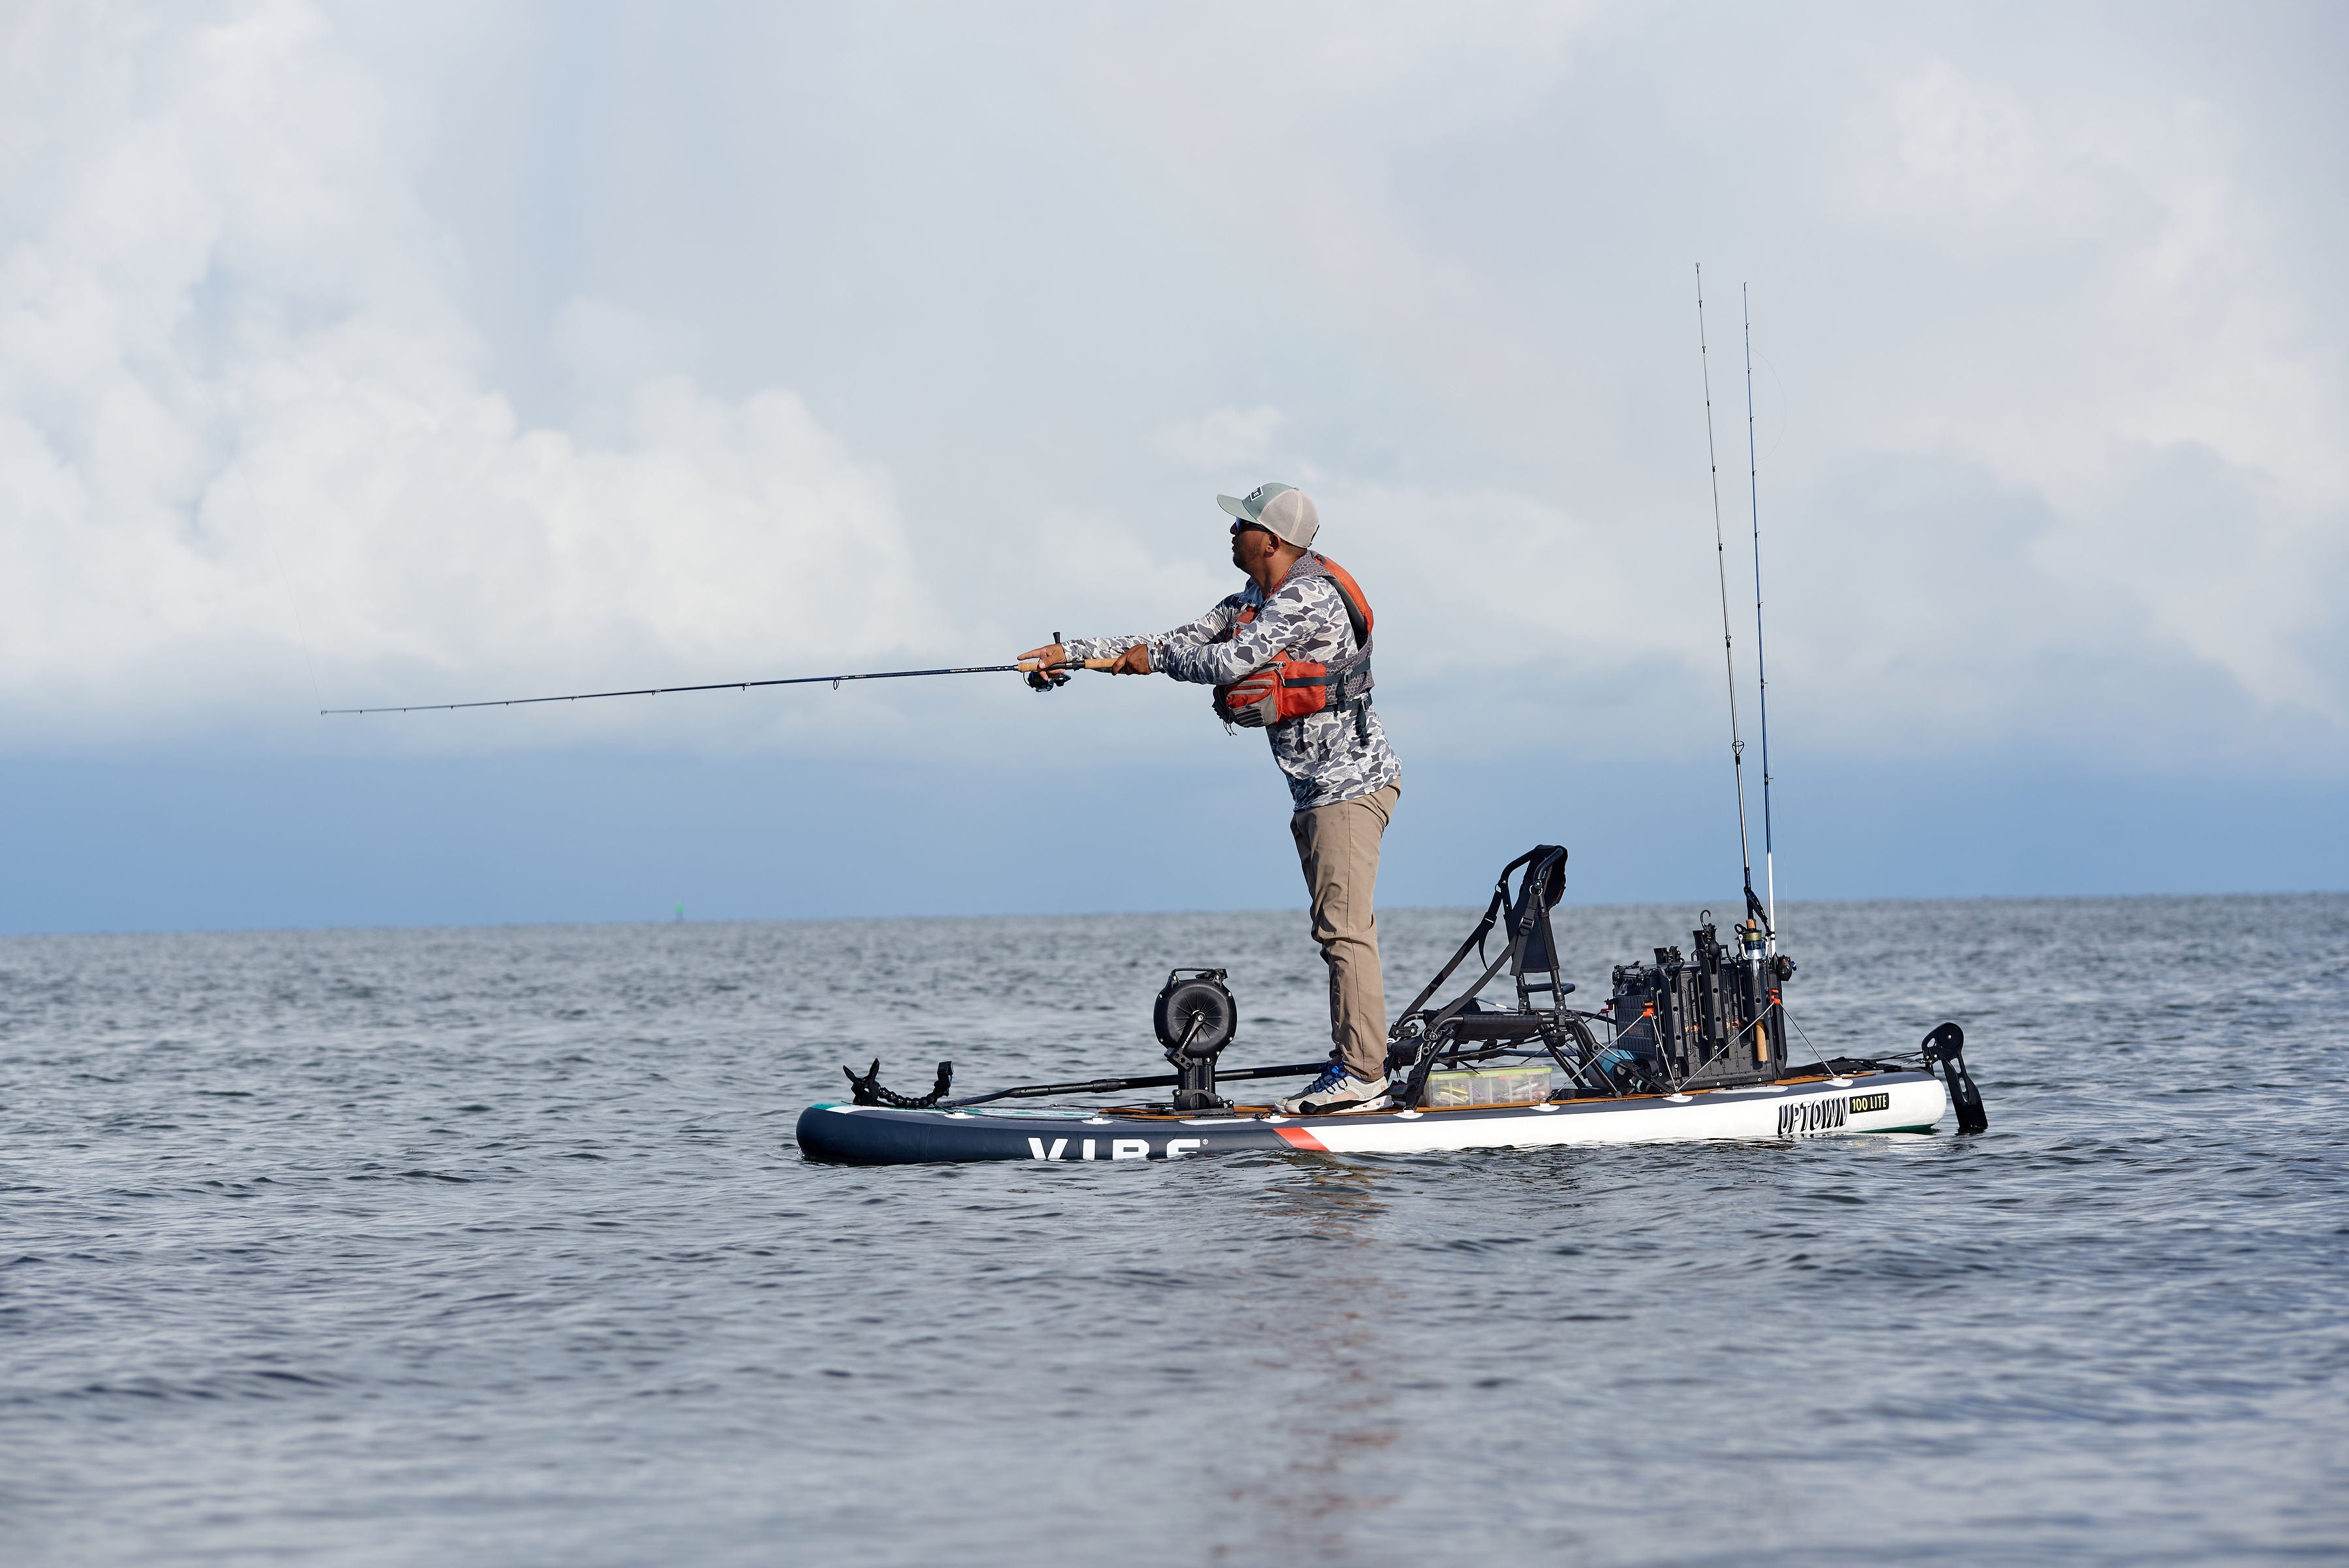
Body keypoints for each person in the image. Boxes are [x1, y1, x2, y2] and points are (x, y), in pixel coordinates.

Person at [1021, 483, 1402, 1114]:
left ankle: (1364, 1075)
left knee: (1344, 929)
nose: (1231, 533)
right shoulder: (1258, 596)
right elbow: (1181, 638)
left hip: (1350, 786)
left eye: (1242, 525)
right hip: (1315, 789)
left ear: (1272, 541)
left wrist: (1154, 660)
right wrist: (1077, 656)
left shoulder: (1306, 598)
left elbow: (1227, 662)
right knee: (1333, 928)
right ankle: (1356, 1064)